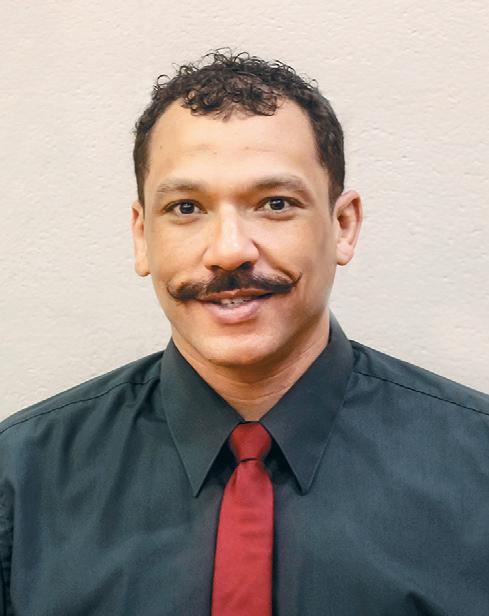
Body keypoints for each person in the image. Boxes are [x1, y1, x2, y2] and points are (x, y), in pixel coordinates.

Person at [1, 50, 488, 616]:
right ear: (142, 236)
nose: (229, 250)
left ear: (343, 226)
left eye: (275, 204)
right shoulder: (19, 478)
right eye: (187, 208)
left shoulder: (478, 468)